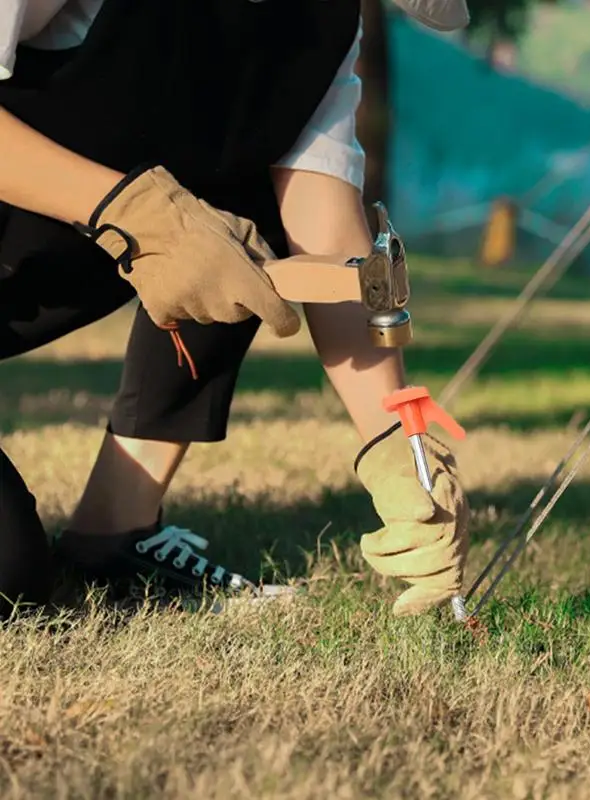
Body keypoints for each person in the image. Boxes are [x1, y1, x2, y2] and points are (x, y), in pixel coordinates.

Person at [0, 0, 472, 619]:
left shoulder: (320, 29)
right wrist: (136, 215)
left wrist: (391, 439)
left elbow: (326, 237)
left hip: (41, 271)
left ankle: (115, 536)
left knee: (11, 577)